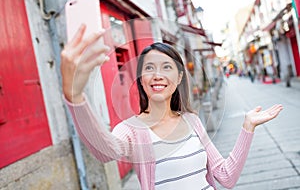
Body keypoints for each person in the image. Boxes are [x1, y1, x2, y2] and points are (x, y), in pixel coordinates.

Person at [60, 25, 283, 190]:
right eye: (149, 68)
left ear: (178, 79)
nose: (157, 75)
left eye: (166, 67)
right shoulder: (132, 129)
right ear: (141, 79)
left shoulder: (192, 121)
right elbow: (105, 151)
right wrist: (75, 97)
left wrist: (247, 127)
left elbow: (226, 176)